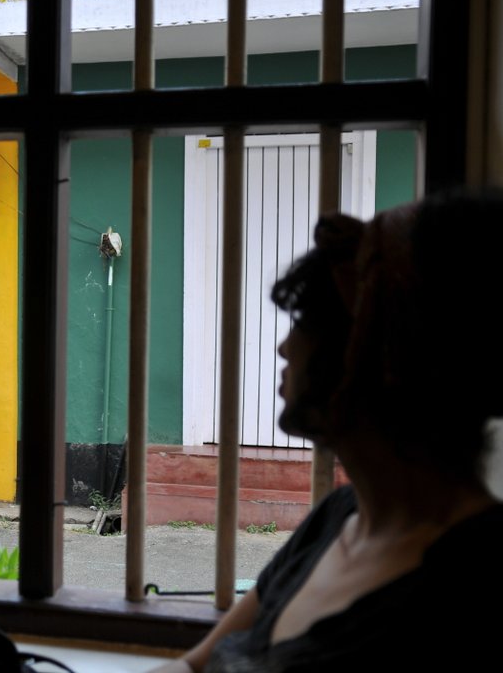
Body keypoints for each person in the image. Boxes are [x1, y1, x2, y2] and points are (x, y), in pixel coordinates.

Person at [153, 187, 503, 672]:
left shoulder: (472, 582)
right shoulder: (338, 517)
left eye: (304, 321)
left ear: (377, 349)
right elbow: (194, 665)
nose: (284, 348)